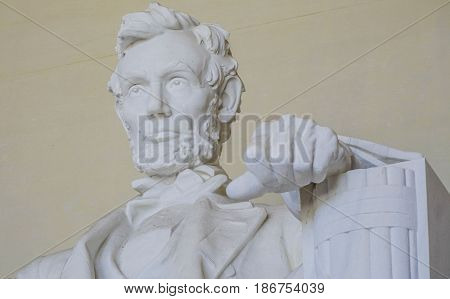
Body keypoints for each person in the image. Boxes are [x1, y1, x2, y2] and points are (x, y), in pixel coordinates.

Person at [16, 3, 422, 279]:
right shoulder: (43, 274)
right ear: (123, 114)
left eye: (175, 82)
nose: (155, 108)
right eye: (136, 90)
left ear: (223, 100)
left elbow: (394, 262)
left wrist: (341, 174)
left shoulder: (292, 233)